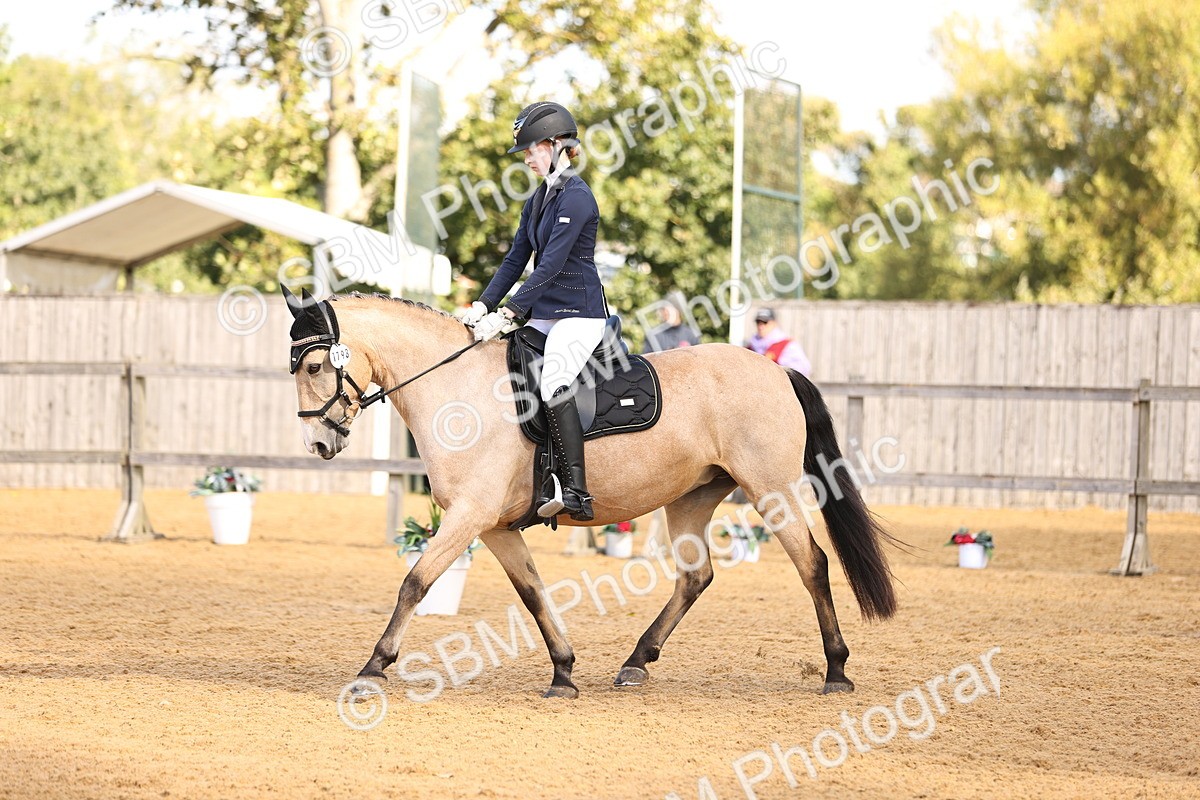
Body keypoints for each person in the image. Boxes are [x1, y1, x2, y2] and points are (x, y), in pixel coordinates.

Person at [462, 101, 605, 522]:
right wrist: (483, 304)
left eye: (531, 149)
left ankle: (576, 489)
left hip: (578, 314)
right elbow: (515, 259)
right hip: (544, 312)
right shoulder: (539, 198)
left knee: (555, 378)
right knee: (498, 365)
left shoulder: (577, 198)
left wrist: (510, 313)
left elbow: (551, 264)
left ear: (557, 144)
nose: (525, 157)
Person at [745, 307, 812, 377]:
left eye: (765, 322)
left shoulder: (787, 345)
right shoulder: (751, 346)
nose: (761, 326)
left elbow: (805, 368)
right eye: (758, 322)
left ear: (774, 323)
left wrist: (782, 368)